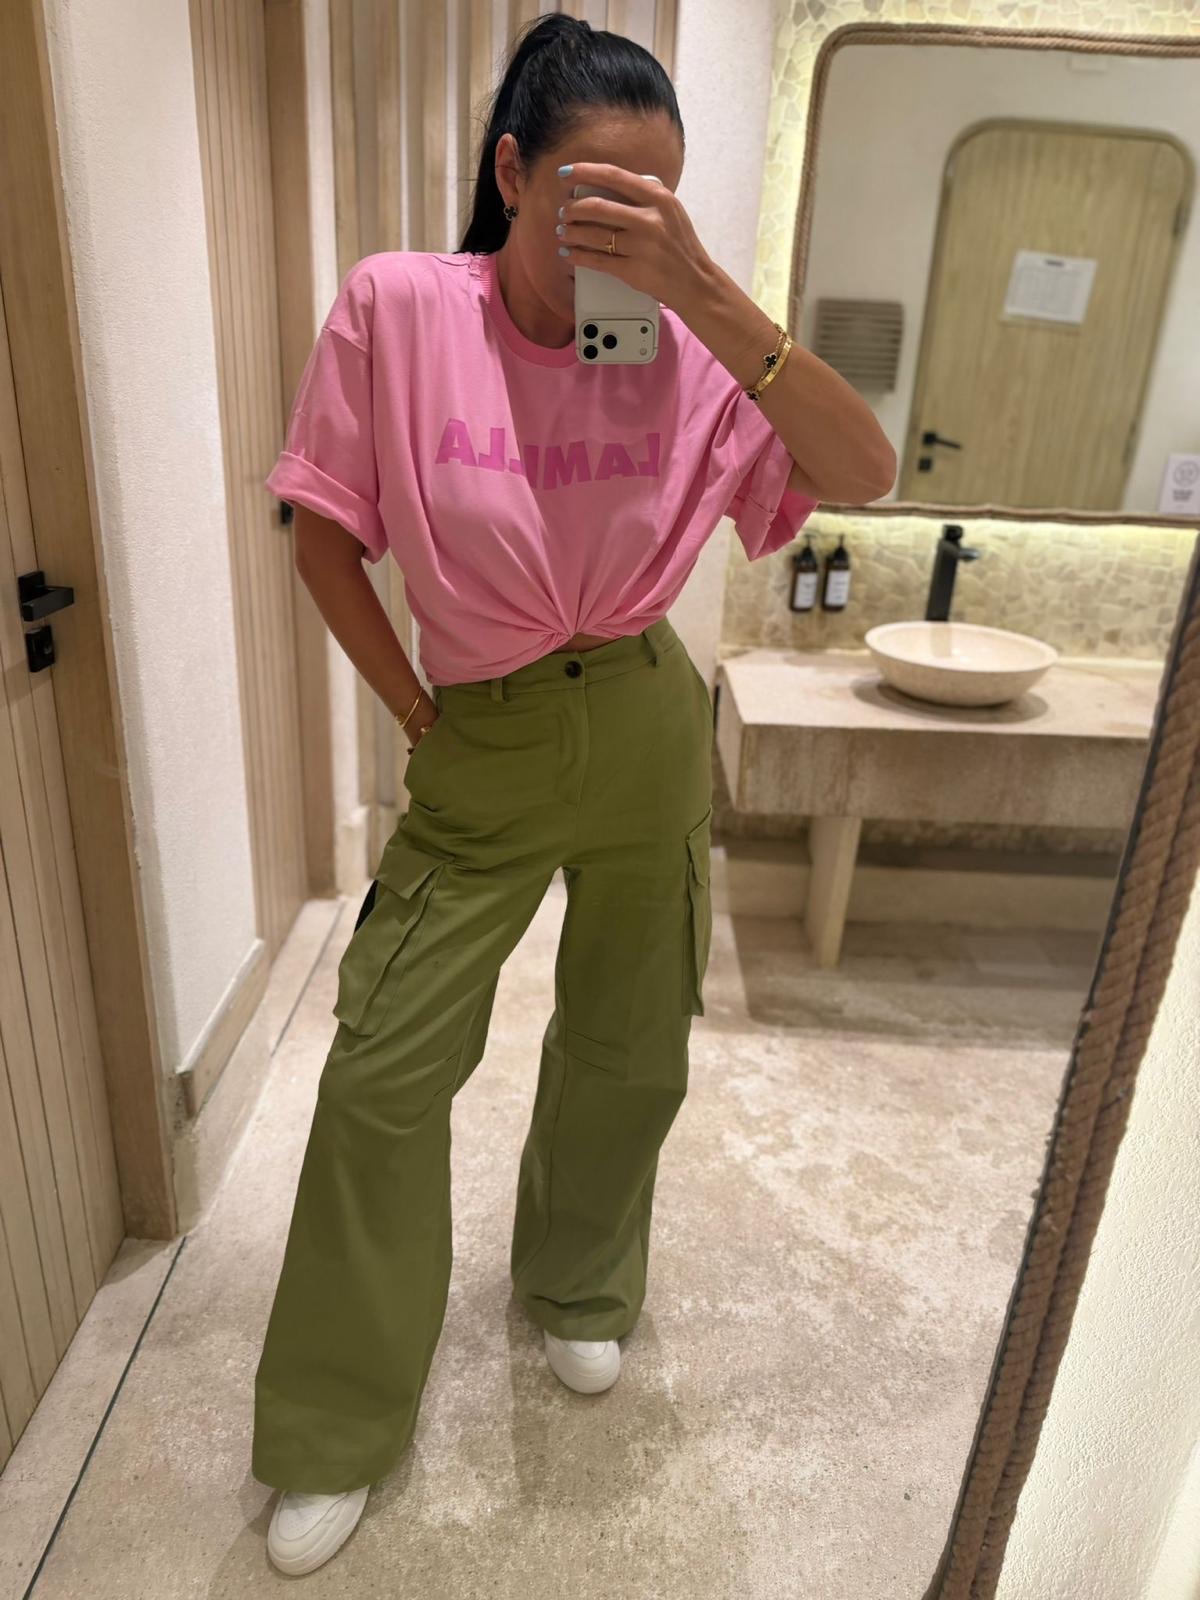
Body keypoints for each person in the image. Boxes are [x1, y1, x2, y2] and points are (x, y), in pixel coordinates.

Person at [252, 11, 890, 1578]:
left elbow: (863, 471)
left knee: (629, 1040)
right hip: (486, 733)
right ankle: (335, 1423)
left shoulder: (658, 332)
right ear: (510, 171)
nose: (616, 235)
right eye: (589, 198)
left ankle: (581, 1286)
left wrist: (702, 289)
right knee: (381, 1073)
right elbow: (323, 536)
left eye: (652, 203)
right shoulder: (406, 308)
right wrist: (416, 709)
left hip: (650, 724)